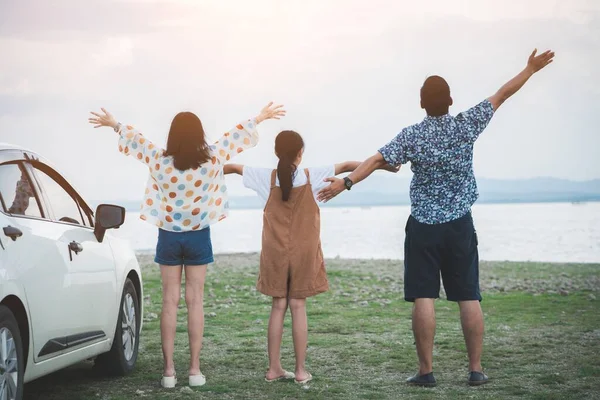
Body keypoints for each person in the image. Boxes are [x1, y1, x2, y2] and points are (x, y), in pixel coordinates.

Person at [317, 49, 555, 387]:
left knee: (424, 296)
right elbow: (503, 93)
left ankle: (426, 372)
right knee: (468, 296)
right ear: (451, 100)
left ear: (421, 104)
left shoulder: (412, 134)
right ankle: (475, 370)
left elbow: (375, 159)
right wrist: (530, 68)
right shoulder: (466, 124)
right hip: (459, 224)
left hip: (423, 226)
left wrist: (346, 182)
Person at [88, 102, 286, 388]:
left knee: (169, 302)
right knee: (196, 302)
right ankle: (194, 370)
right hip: (197, 236)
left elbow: (137, 141)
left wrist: (115, 124)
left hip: (168, 236)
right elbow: (235, 137)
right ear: (199, 135)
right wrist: (260, 118)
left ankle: (168, 372)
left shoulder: (159, 159)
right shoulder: (212, 158)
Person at [224, 130, 398, 384]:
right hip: (304, 251)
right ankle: (300, 371)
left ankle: (274, 369)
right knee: (298, 306)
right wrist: (383, 166)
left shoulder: (265, 177)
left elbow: (233, 168)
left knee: (278, 306)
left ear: (276, 152)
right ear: (300, 153)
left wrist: (200, 170)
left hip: (274, 251)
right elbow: (349, 166)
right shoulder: (312, 175)